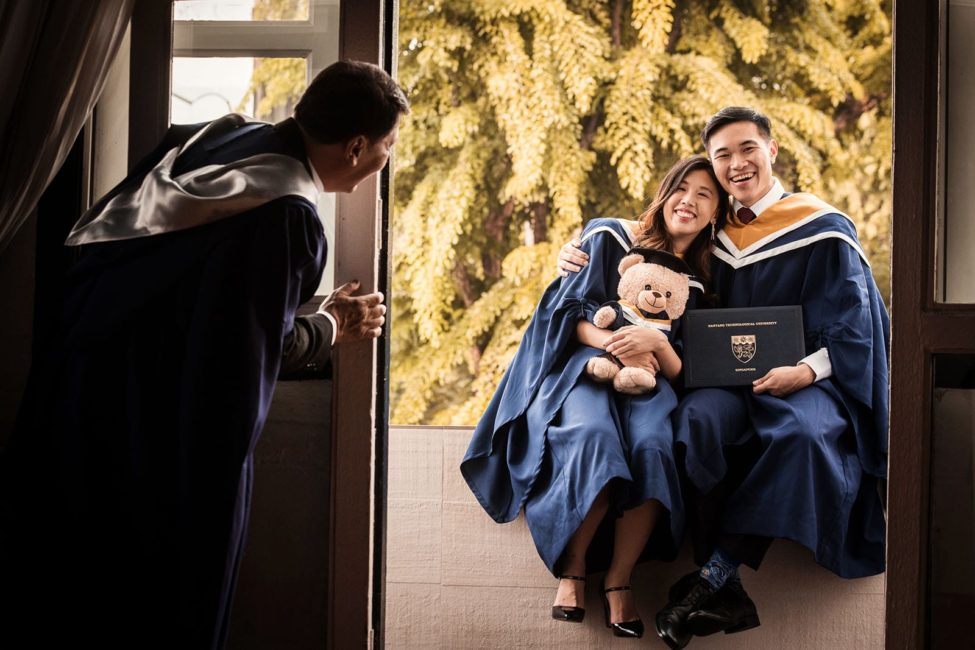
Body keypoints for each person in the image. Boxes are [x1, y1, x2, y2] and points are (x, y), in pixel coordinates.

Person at [0, 60, 408, 648]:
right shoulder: (288, 218)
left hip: (72, 385)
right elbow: (244, 357)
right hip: (150, 438)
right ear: (354, 148)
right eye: (387, 146)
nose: (385, 159)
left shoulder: (216, 136)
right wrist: (331, 324)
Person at [558, 107, 890, 649]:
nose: (736, 164)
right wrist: (572, 253)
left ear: (772, 150)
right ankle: (715, 572)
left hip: (801, 380)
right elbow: (644, 263)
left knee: (803, 436)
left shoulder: (821, 228)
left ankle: (718, 573)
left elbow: (857, 327)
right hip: (722, 383)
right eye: (723, 156)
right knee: (693, 423)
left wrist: (805, 369)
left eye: (747, 149)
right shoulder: (713, 238)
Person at [462, 155, 728, 640]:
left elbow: (688, 370)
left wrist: (659, 344)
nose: (689, 201)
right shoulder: (610, 237)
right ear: (664, 193)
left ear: (716, 213)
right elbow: (567, 316)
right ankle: (574, 567)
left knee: (653, 446)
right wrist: (614, 342)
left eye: (705, 195)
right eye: (681, 188)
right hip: (587, 370)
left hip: (650, 382)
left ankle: (619, 579)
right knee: (592, 436)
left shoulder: (703, 283)